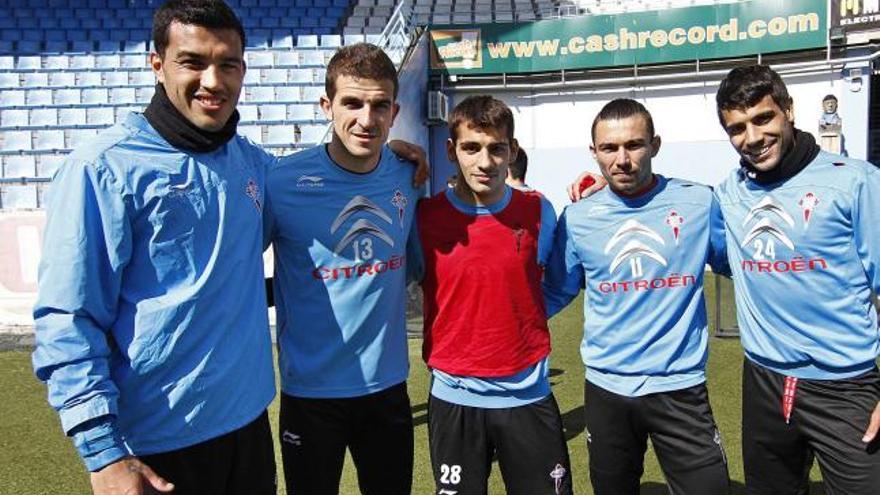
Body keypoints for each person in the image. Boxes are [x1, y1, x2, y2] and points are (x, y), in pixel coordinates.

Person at [32, 1, 277, 493]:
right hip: (157, 445)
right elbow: (68, 320)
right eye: (193, 62)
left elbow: (319, 187)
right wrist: (104, 456)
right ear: (157, 64)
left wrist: (386, 157)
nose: (213, 80)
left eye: (227, 64)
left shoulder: (251, 162)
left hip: (249, 426)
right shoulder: (102, 169)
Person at [544, 98, 730, 494]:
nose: (622, 159)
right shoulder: (577, 217)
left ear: (656, 145)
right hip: (607, 389)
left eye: (635, 145)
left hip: (680, 386)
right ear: (594, 153)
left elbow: (740, 263)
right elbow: (556, 290)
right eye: (609, 148)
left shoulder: (699, 202)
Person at [714, 64, 880, 494]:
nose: (752, 138)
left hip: (847, 385)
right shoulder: (729, 194)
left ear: (788, 109)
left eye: (763, 118)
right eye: (737, 128)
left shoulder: (856, 181)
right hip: (764, 383)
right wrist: (607, 187)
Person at [263, 43, 420, 495]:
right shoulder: (281, 182)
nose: (366, 119)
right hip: (310, 395)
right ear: (326, 105)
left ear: (395, 110)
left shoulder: (408, 174)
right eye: (352, 103)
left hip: (386, 388)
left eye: (379, 105)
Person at [411, 95, 573, 495]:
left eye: (496, 148)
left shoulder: (539, 211)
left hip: (527, 393)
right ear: (452, 150)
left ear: (512, 151)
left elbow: (557, 283)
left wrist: (521, 316)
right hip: (455, 398)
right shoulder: (425, 217)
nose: (484, 162)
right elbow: (418, 279)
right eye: (471, 148)